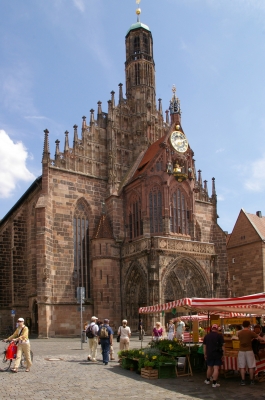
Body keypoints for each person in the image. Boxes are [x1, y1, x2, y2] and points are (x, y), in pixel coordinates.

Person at [237, 320, 263, 385]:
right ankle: (251, 380)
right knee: (251, 366)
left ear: (243, 325)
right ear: (249, 325)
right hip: (249, 350)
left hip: (241, 351)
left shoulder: (239, 333)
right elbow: (260, 338)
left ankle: (243, 380)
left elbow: (241, 339)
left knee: (242, 366)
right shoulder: (251, 332)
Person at [203, 324, 224, 388]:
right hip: (217, 354)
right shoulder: (219, 336)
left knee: (209, 367)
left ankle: (207, 380)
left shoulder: (207, 336)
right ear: (217, 329)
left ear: (211, 329)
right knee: (216, 368)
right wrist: (223, 354)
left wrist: (205, 354)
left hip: (209, 354)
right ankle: (214, 383)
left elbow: (204, 346)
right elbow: (223, 346)